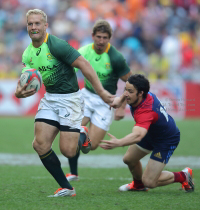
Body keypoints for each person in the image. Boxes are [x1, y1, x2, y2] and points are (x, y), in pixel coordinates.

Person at [15, 9, 115, 197]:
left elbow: (84, 64)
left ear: (45, 26)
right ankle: (67, 187)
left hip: (70, 99)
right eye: (30, 24)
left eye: (37, 23)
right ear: (27, 27)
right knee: (40, 145)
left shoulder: (56, 45)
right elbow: (26, 79)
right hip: (50, 99)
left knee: (68, 152)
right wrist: (18, 92)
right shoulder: (27, 54)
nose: (34, 27)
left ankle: (82, 134)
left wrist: (101, 91)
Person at [100, 74, 194, 193]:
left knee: (149, 181)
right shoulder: (142, 94)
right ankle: (138, 186)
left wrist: (118, 142)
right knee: (129, 159)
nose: (126, 93)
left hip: (165, 139)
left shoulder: (146, 110)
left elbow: (138, 135)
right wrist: (120, 101)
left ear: (140, 93)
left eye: (130, 91)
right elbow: (126, 95)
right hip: (150, 132)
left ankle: (184, 176)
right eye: (125, 89)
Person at [66, 19, 132, 181]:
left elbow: (130, 82)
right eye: (99, 37)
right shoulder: (84, 52)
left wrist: (122, 106)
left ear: (109, 38)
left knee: (92, 145)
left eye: (105, 37)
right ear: (92, 36)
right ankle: (73, 173)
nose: (101, 41)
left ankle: (82, 132)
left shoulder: (115, 57)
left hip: (106, 103)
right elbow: (69, 70)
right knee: (73, 135)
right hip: (86, 96)